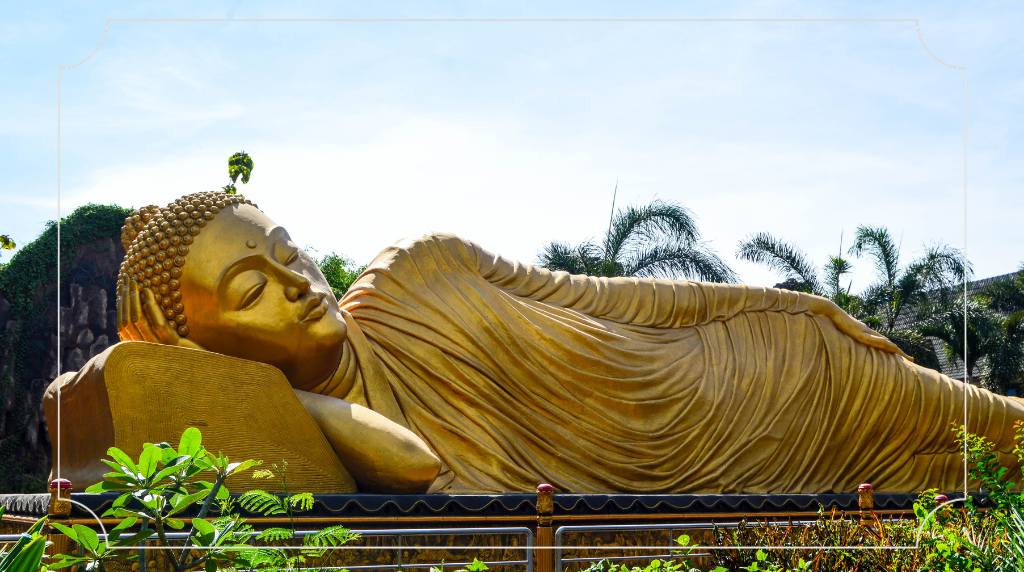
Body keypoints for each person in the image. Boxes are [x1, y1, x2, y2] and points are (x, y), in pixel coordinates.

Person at [114, 191, 1024, 494]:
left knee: (998, 432)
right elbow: (419, 469)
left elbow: (620, 298)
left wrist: (788, 309)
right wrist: (279, 399)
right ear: (207, 346)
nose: (299, 285)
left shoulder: (420, 269)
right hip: (685, 471)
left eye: (289, 253)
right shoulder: (323, 431)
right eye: (253, 292)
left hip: (759, 372)